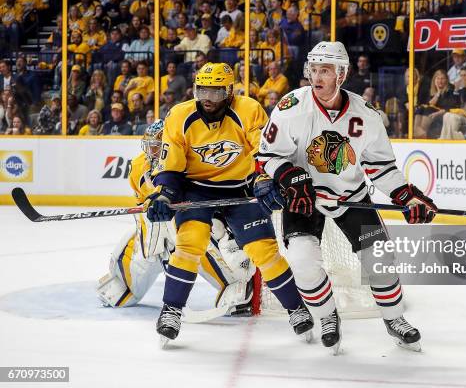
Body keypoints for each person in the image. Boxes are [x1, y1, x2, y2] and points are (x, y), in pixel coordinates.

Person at [255, 42, 437, 353]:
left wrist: (407, 196)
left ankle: (394, 320)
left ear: (342, 74)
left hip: (350, 196)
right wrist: (288, 176)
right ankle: (327, 317)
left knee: (380, 258)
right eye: (313, 69)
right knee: (302, 262)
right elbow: (267, 156)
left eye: (324, 70)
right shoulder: (291, 106)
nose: (317, 76)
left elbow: (380, 166)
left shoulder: (365, 114)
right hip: (304, 199)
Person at [144, 63, 314, 346]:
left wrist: (264, 179)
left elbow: (263, 151)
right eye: (202, 90)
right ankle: (171, 310)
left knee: (265, 252)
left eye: (215, 91)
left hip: (240, 189)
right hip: (196, 191)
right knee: (190, 245)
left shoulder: (248, 109)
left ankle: (296, 309)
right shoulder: (179, 115)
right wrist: (163, 194)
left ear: (229, 91)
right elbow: (171, 167)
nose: (207, 98)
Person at [97, 120, 256, 315]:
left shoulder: (190, 162)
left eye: (157, 148)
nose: (152, 152)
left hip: (187, 222)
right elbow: (147, 202)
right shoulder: (140, 165)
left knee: (202, 245)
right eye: (151, 147)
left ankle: (235, 284)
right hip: (153, 225)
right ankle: (124, 282)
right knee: (141, 259)